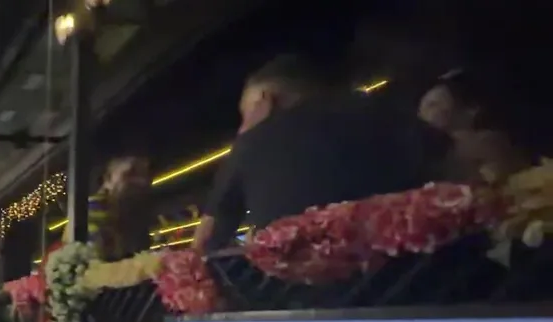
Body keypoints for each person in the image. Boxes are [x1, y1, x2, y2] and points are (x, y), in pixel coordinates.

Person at [193, 54, 459, 253]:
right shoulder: (389, 112)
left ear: (266, 102)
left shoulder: (251, 142)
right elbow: (458, 174)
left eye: (246, 113)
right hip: (423, 283)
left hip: (301, 297)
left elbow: (205, 244)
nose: (243, 125)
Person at [418, 69, 527, 184]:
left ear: (472, 109)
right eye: (424, 106)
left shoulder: (489, 142)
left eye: (434, 105)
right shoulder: (445, 150)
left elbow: (498, 178)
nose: (423, 112)